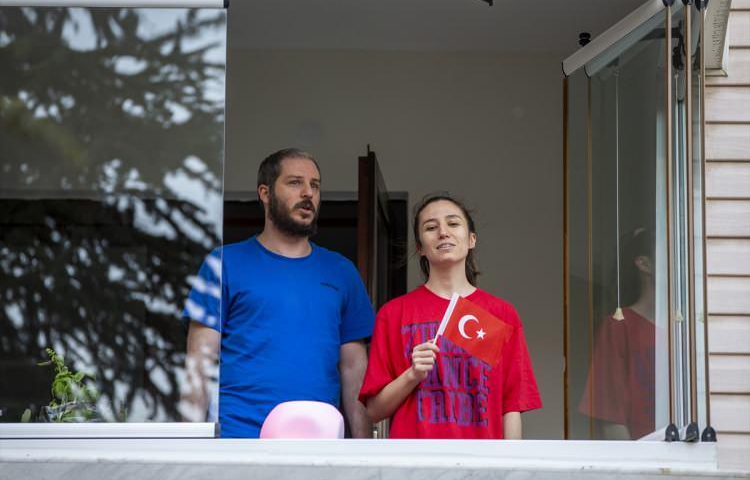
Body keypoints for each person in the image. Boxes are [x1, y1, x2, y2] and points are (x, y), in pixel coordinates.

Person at [180, 148, 374, 438]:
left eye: (315, 185)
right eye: (295, 182)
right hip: (239, 438)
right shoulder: (224, 263)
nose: (308, 193)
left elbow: (354, 370)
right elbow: (199, 362)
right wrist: (188, 447)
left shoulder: (342, 272)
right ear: (265, 193)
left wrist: (364, 449)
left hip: (318, 440)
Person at [358, 193, 542, 439]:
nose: (443, 232)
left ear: (472, 239)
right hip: (414, 459)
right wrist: (412, 375)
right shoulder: (393, 314)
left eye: (453, 223)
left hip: (483, 459)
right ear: (420, 247)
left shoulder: (501, 314)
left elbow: (511, 406)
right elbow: (373, 411)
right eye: (431, 227)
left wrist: (511, 461)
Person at [578, 228, 656, 440]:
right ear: (645, 264)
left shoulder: (682, 330)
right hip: (644, 457)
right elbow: (611, 420)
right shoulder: (618, 327)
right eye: (667, 254)